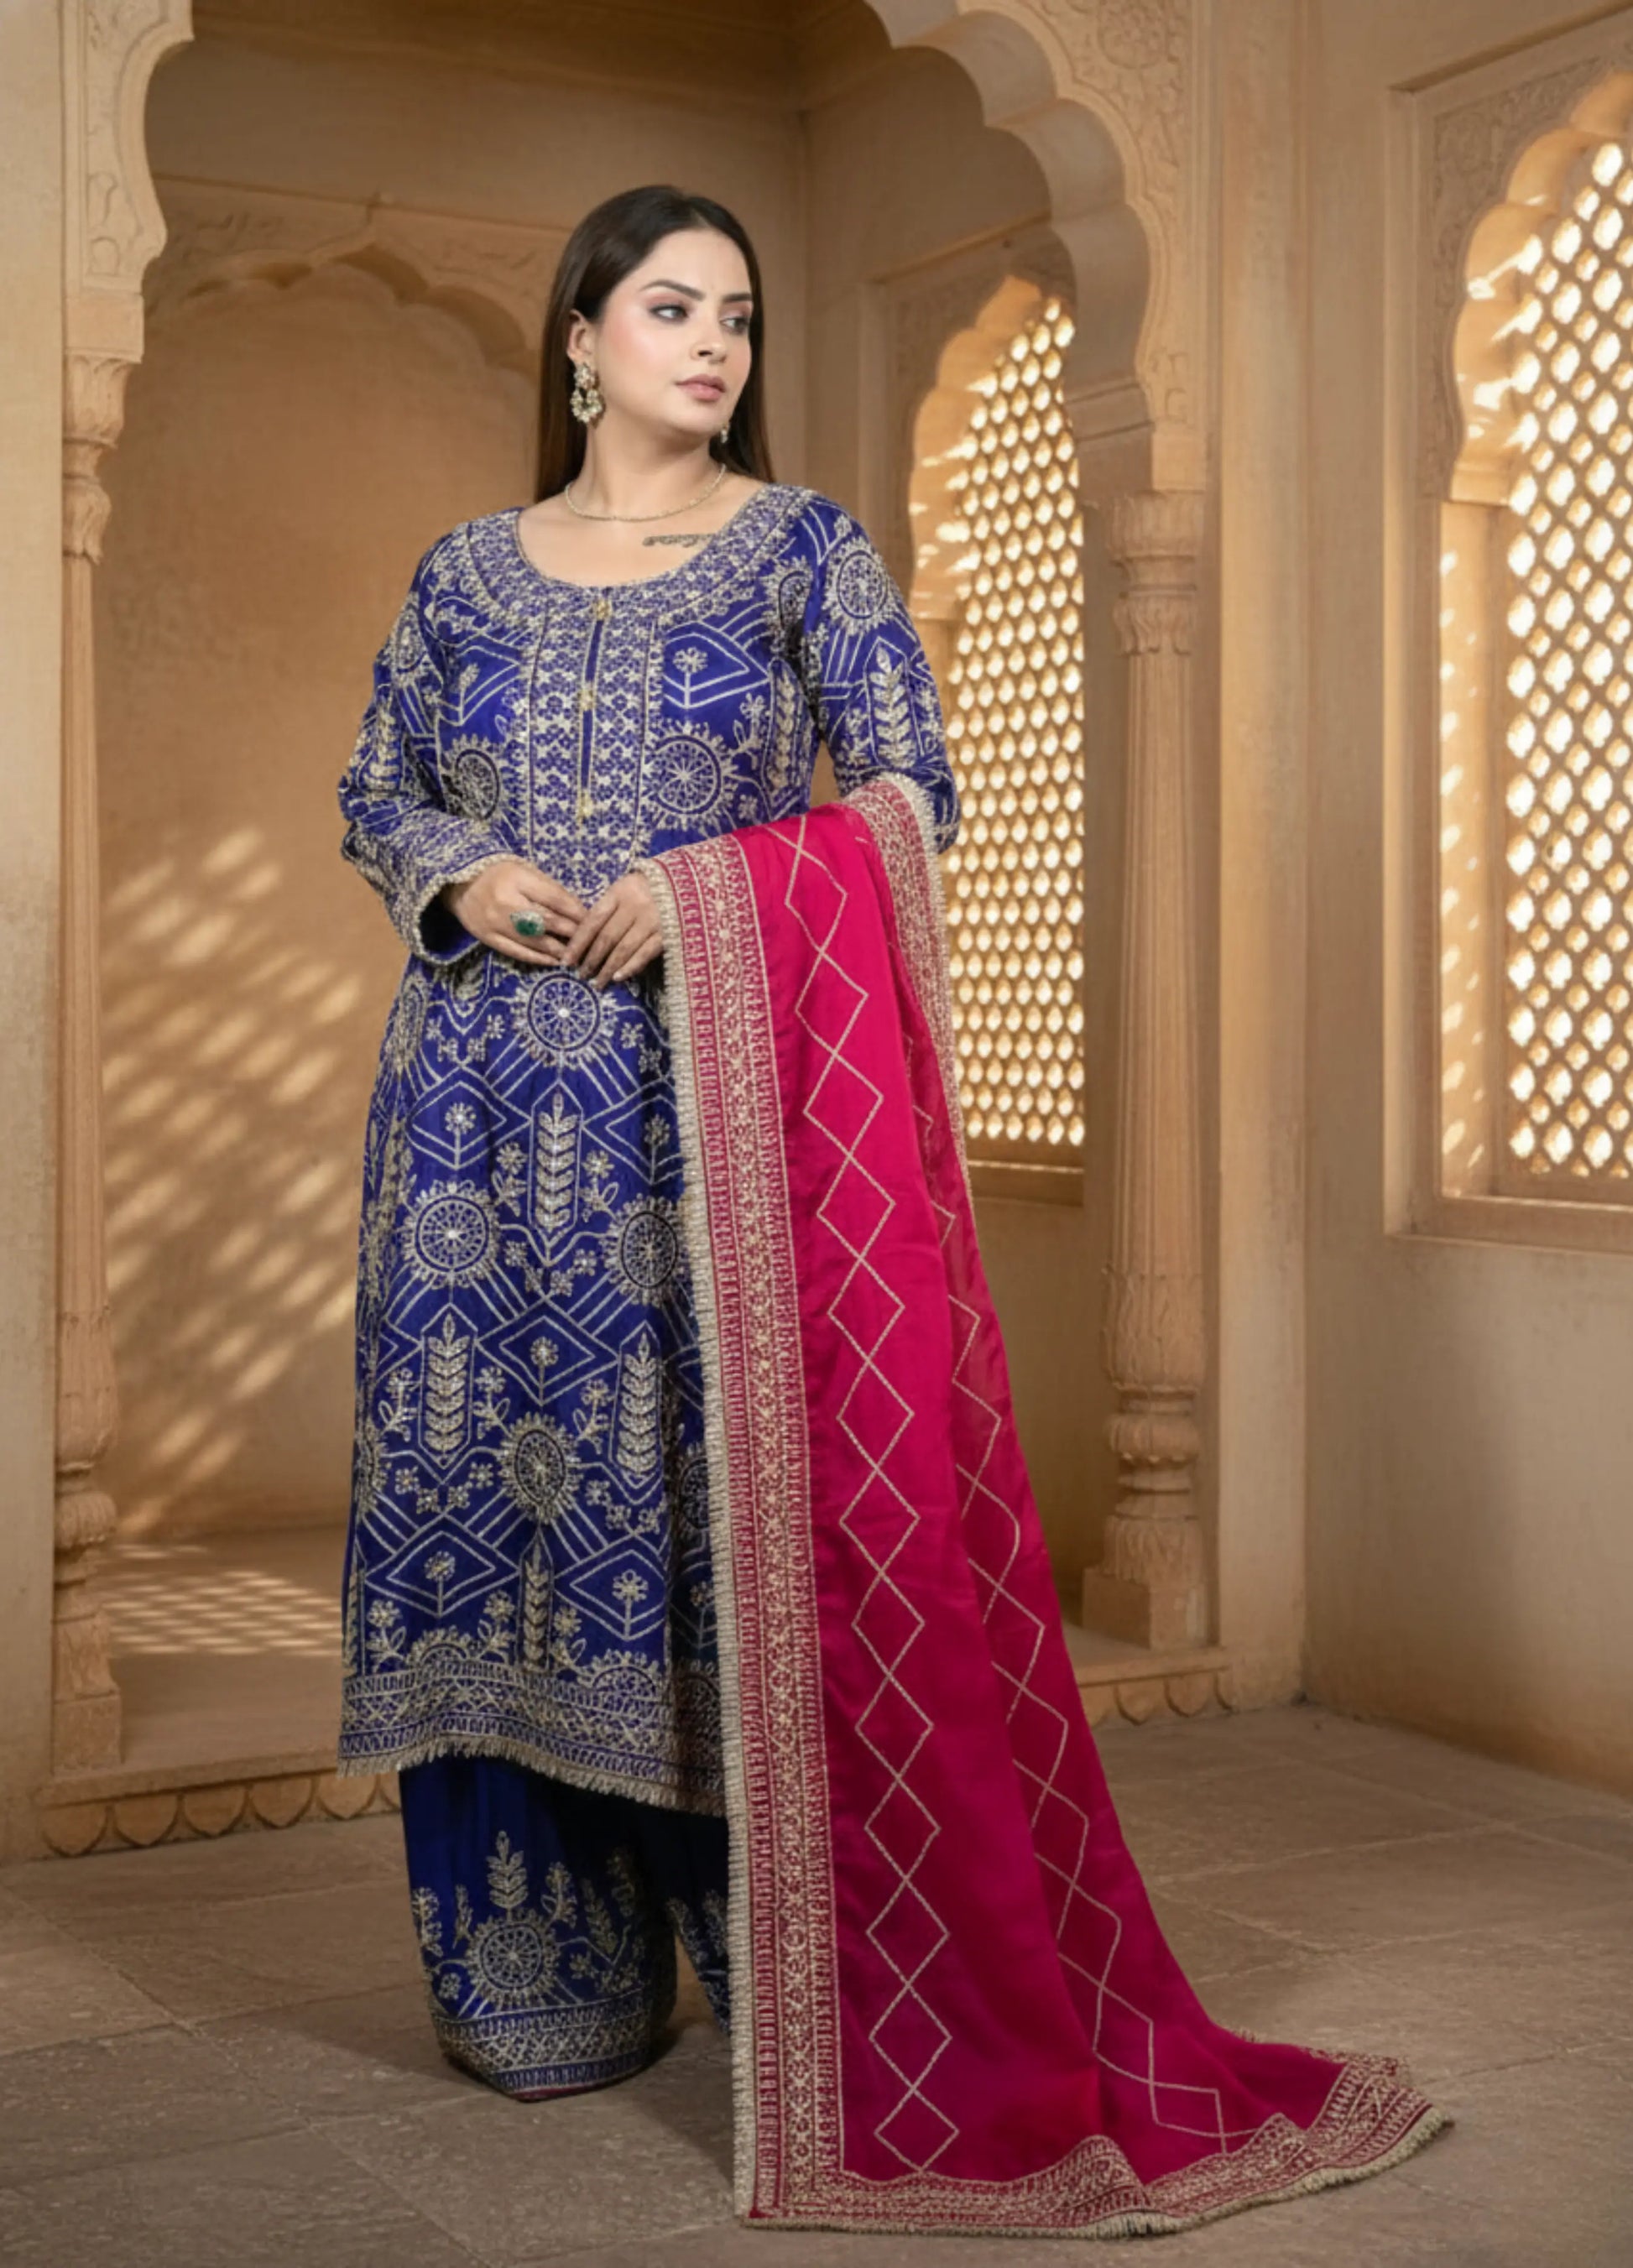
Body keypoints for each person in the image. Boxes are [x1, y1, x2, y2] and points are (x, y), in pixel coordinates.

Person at [336, 183, 1447, 2234]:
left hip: (718, 1155)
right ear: (577, 336)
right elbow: (376, 784)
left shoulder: (805, 549)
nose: (713, 345)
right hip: (477, 1147)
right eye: (669, 307)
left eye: (738, 315)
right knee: (505, 1517)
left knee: (710, 1522)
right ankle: (536, 1955)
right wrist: (461, 876)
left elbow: (907, 792)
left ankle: (775, 1949)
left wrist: (711, 895)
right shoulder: (463, 578)